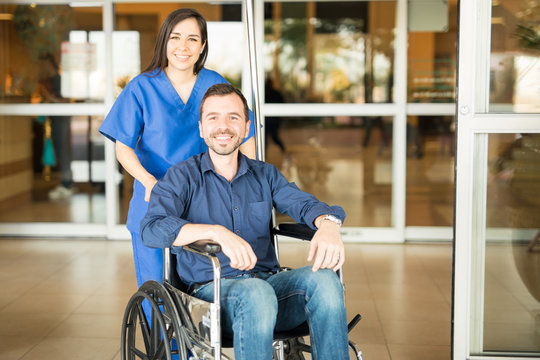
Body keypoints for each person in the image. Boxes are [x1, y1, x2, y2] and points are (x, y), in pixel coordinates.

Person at [141, 83, 350, 360]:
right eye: (213, 118)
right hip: (209, 297)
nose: (223, 126)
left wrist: (329, 224)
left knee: (325, 280)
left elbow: (305, 204)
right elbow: (152, 228)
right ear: (202, 128)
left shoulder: (265, 175)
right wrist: (216, 233)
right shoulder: (182, 177)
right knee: (256, 293)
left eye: (233, 117)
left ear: (247, 126)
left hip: (269, 287)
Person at [99, 8, 256, 289]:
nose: (183, 47)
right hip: (154, 200)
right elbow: (123, 147)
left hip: (204, 202)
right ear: (164, 42)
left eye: (193, 39)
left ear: (203, 46)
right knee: (156, 289)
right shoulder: (141, 88)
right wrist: (149, 182)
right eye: (175, 37)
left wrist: (250, 181)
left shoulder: (215, 84)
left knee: (203, 290)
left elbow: (245, 133)